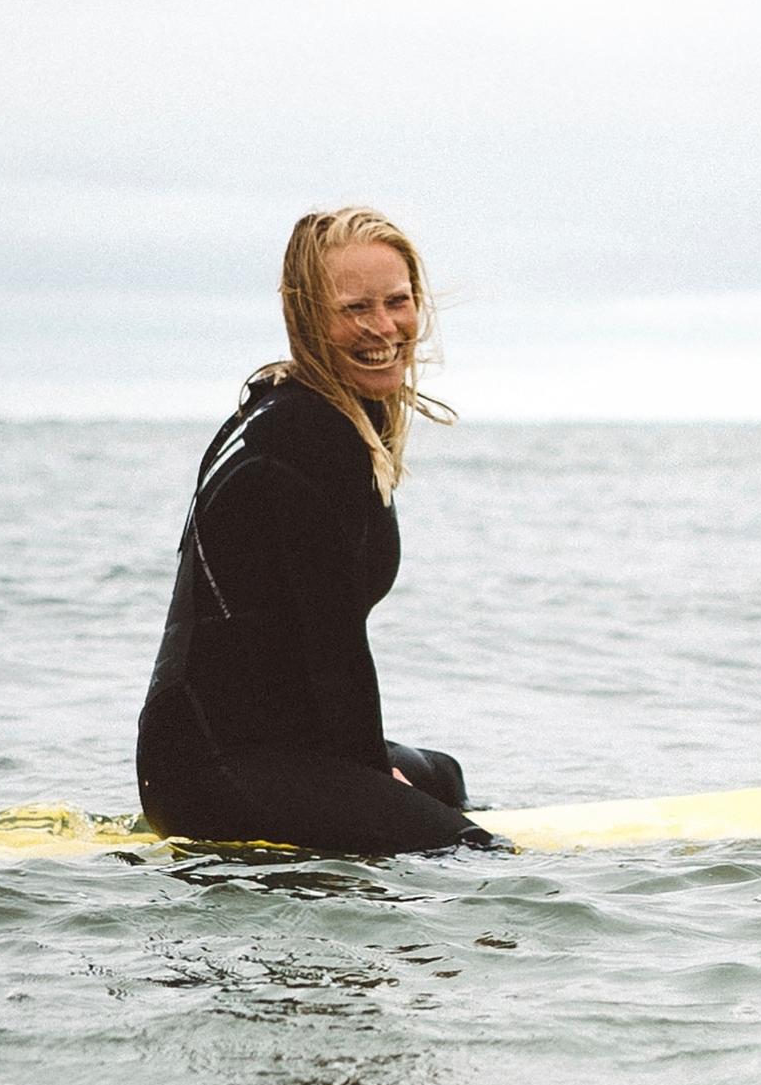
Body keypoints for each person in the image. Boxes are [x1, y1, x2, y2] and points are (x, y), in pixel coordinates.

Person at [137, 207, 500, 854]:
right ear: (308, 317)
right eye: (355, 308)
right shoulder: (307, 437)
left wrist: (375, 783)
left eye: (397, 301)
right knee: (469, 853)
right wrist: (365, 777)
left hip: (240, 745)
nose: (384, 327)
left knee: (442, 778)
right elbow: (333, 646)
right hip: (218, 768)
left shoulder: (298, 411)